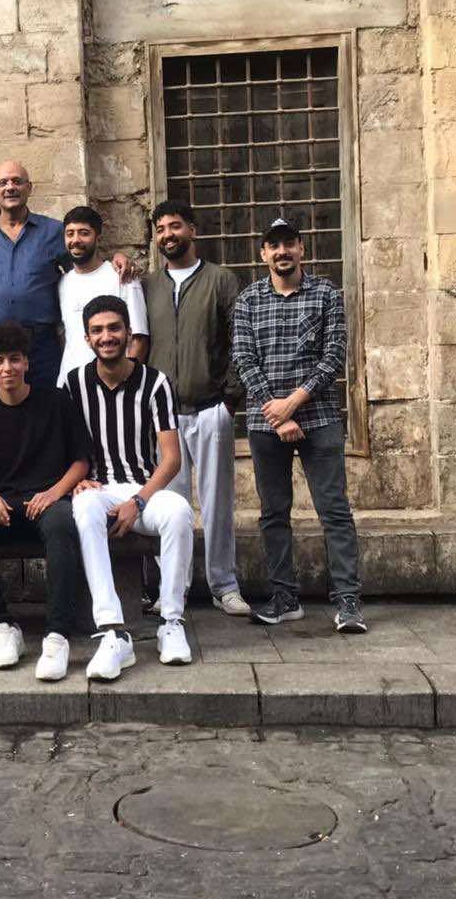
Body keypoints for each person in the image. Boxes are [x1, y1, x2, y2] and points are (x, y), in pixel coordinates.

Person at [234, 218, 367, 634]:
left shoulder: (326, 294)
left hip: (319, 418)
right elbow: (244, 360)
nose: (282, 252)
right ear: (263, 254)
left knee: (334, 511)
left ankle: (347, 602)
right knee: (274, 513)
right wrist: (276, 414)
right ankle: (284, 598)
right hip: (266, 422)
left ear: (301, 249)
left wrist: (292, 404)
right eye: (274, 246)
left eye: (289, 243)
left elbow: (334, 356)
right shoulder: (248, 300)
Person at [0, 321, 92, 681]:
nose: (7, 368)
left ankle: (57, 636)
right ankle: (3, 626)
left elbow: (81, 461)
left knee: (62, 525)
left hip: (50, 500)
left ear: (27, 362)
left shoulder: (56, 402)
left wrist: (55, 492)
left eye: (14, 359)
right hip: (7, 506)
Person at [64, 296, 195, 679]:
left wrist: (137, 501)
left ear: (128, 333)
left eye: (114, 328)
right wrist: (77, 478)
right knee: (83, 505)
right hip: (99, 488)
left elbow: (171, 459)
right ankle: (112, 630)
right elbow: (63, 445)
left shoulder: (156, 383)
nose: (106, 337)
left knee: (180, 512)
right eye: (97, 330)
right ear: (87, 338)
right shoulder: (73, 383)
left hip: (144, 489)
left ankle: (171, 621)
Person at [142, 200, 250, 617]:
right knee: (171, 506)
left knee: (218, 501)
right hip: (163, 416)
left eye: (175, 226)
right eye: (160, 229)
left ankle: (225, 585)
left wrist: (229, 400)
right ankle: (175, 588)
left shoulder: (220, 280)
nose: (168, 235)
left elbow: (240, 338)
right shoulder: (148, 285)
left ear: (192, 230)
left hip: (209, 408)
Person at [0, 160, 134, 406]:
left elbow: (82, 267)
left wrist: (116, 258)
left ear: (29, 188)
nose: (10, 187)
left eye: (17, 181)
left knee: (45, 412)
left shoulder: (53, 232)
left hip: (40, 347)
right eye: (3, 183)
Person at [56, 206, 148, 385]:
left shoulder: (122, 277)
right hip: (70, 386)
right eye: (70, 234)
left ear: (98, 238)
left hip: (113, 387)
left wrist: (124, 385)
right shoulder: (62, 283)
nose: (76, 240)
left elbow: (139, 340)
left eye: (84, 233)